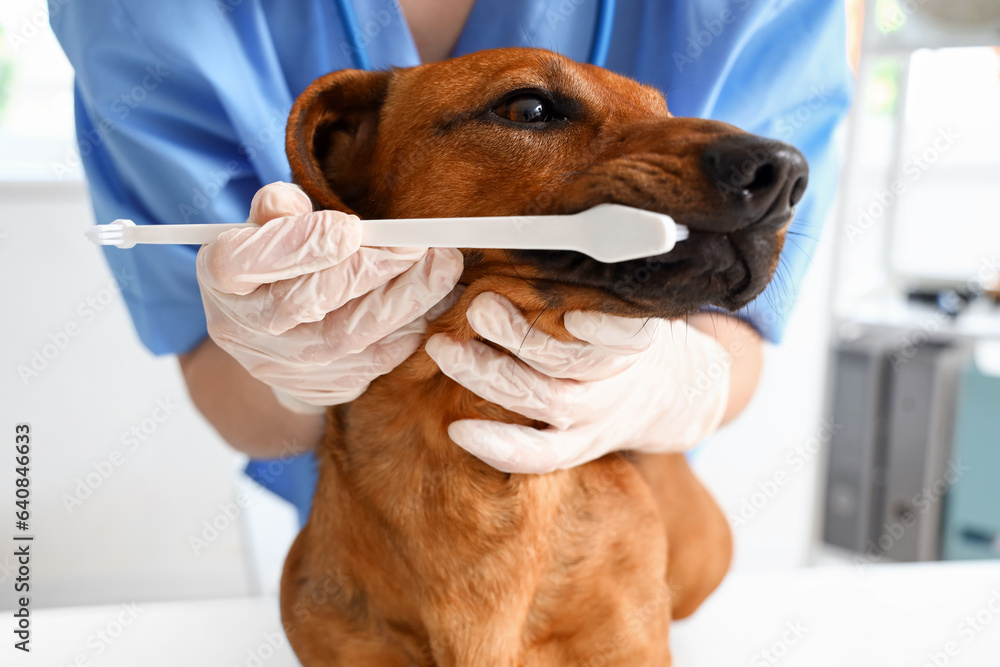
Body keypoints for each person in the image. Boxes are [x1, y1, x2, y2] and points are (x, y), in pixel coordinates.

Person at [51, 0, 853, 523]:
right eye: (533, 111)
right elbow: (228, 388)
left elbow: (735, 326)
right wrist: (283, 363)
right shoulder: (139, 15)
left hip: (615, 518)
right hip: (354, 528)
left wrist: (677, 384)